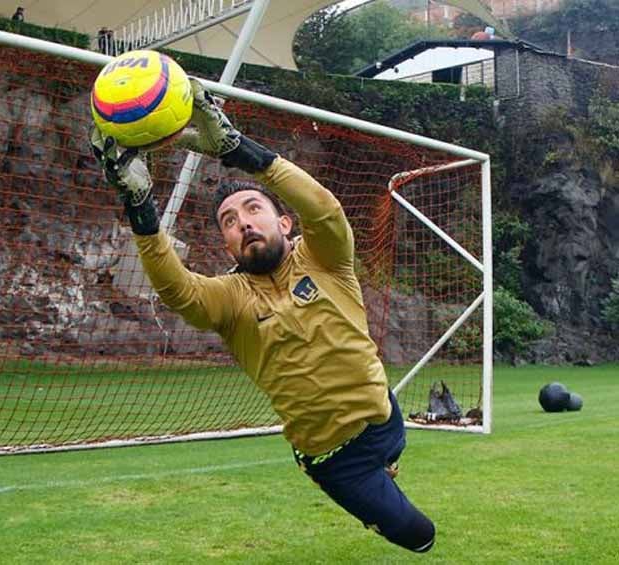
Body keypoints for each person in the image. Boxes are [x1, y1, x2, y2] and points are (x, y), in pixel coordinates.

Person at [89, 79, 436, 553]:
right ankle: (379, 498)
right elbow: (177, 290)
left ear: (285, 222)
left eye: (253, 209)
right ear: (226, 243)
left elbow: (327, 210)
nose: (243, 223)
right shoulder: (230, 299)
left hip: (385, 423)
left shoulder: (326, 257)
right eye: (229, 222)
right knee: (420, 536)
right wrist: (140, 205)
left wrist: (240, 151)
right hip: (335, 459)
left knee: (392, 447)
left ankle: (388, 464)